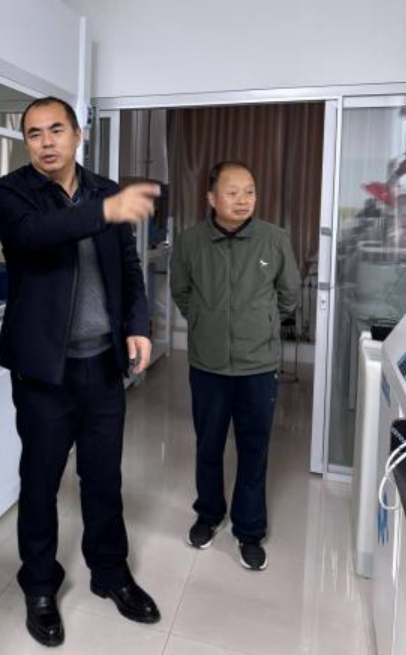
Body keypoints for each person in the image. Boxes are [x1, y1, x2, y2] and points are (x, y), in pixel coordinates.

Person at [0, 96, 162, 647]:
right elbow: (33, 237)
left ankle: (111, 573)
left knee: (103, 477)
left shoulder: (105, 190)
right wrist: (104, 212)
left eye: (56, 130)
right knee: (40, 482)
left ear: (78, 134)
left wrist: (138, 325)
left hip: (103, 366)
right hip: (45, 373)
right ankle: (40, 585)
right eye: (34, 133)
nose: (46, 142)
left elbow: (128, 268)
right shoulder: (10, 193)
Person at [170, 161, 300, 571]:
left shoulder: (274, 240)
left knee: (254, 448)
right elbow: (181, 292)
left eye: (250, 191)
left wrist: (260, 326)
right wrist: (207, 323)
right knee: (208, 444)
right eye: (232, 192)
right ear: (211, 198)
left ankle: (249, 530)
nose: (243, 200)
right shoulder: (190, 242)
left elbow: (289, 295)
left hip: (258, 365)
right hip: (207, 365)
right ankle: (208, 514)